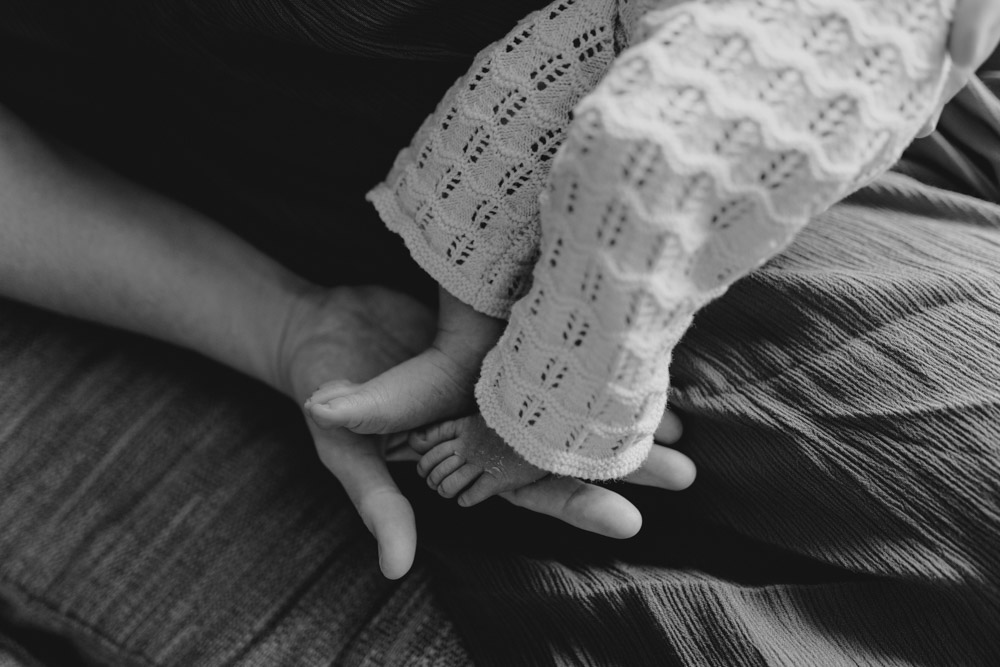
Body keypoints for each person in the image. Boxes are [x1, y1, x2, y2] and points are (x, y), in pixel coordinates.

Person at [308, 0, 998, 506]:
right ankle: (463, 342)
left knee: (636, 178)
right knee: (520, 86)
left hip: (823, 36)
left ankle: (545, 417)